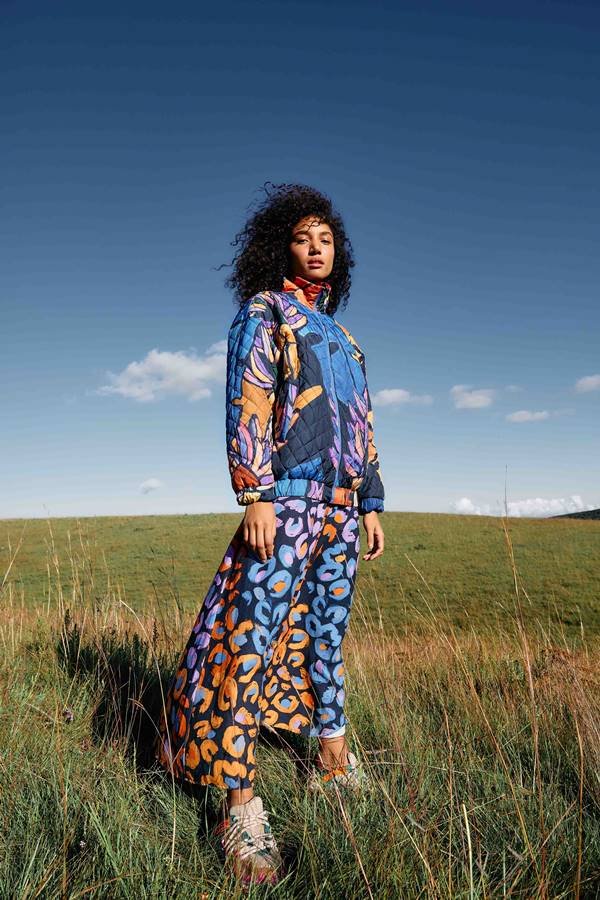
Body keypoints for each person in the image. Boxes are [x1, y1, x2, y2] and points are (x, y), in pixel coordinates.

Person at [155, 182, 385, 886]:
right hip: (283, 503)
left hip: (341, 511)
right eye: (302, 238)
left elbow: (363, 425)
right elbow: (248, 398)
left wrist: (371, 501)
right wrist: (254, 491)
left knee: (325, 637)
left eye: (327, 239)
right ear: (279, 247)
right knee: (249, 640)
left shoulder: (345, 340)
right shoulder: (265, 313)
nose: (316, 248)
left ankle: (332, 765)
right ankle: (239, 806)